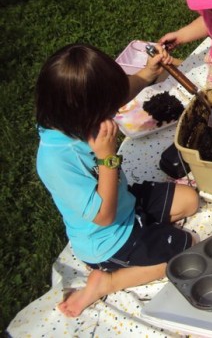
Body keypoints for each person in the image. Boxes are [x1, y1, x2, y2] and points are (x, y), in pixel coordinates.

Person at [35, 43, 200, 317]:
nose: (114, 113)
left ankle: (147, 230)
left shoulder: (75, 114)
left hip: (127, 203)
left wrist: (148, 74)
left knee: (190, 201)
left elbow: (120, 92)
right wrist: (107, 158)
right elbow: (103, 216)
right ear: (84, 111)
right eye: (108, 109)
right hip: (108, 239)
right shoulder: (55, 160)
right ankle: (107, 281)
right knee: (187, 248)